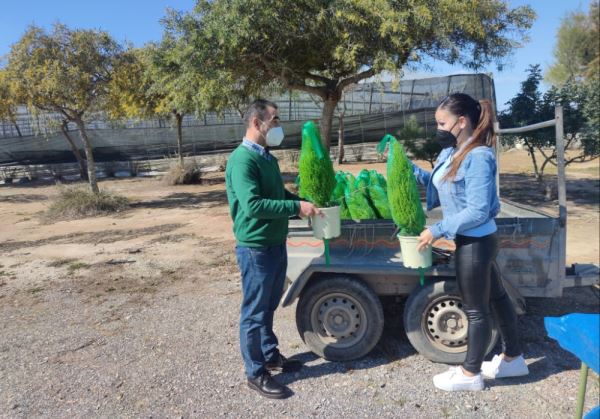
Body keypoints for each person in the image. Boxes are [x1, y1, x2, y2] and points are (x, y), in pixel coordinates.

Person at [412, 93, 529, 392]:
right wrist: (407, 168)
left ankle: (470, 374)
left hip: (476, 243)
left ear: (461, 121)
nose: (437, 128)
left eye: (442, 122)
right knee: (499, 298)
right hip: (476, 240)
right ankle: (513, 359)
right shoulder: (452, 151)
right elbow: (439, 183)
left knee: (476, 309)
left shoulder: (478, 155)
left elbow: (477, 209)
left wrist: (437, 229)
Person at [225, 99, 320, 399]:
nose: (278, 126)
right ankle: (255, 372)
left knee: (268, 306)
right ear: (257, 123)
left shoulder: (267, 158)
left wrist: (303, 204)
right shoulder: (242, 160)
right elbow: (253, 206)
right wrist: (295, 206)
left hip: (275, 244)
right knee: (254, 312)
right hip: (256, 248)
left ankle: (269, 354)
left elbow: (278, 196)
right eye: (274, 120)